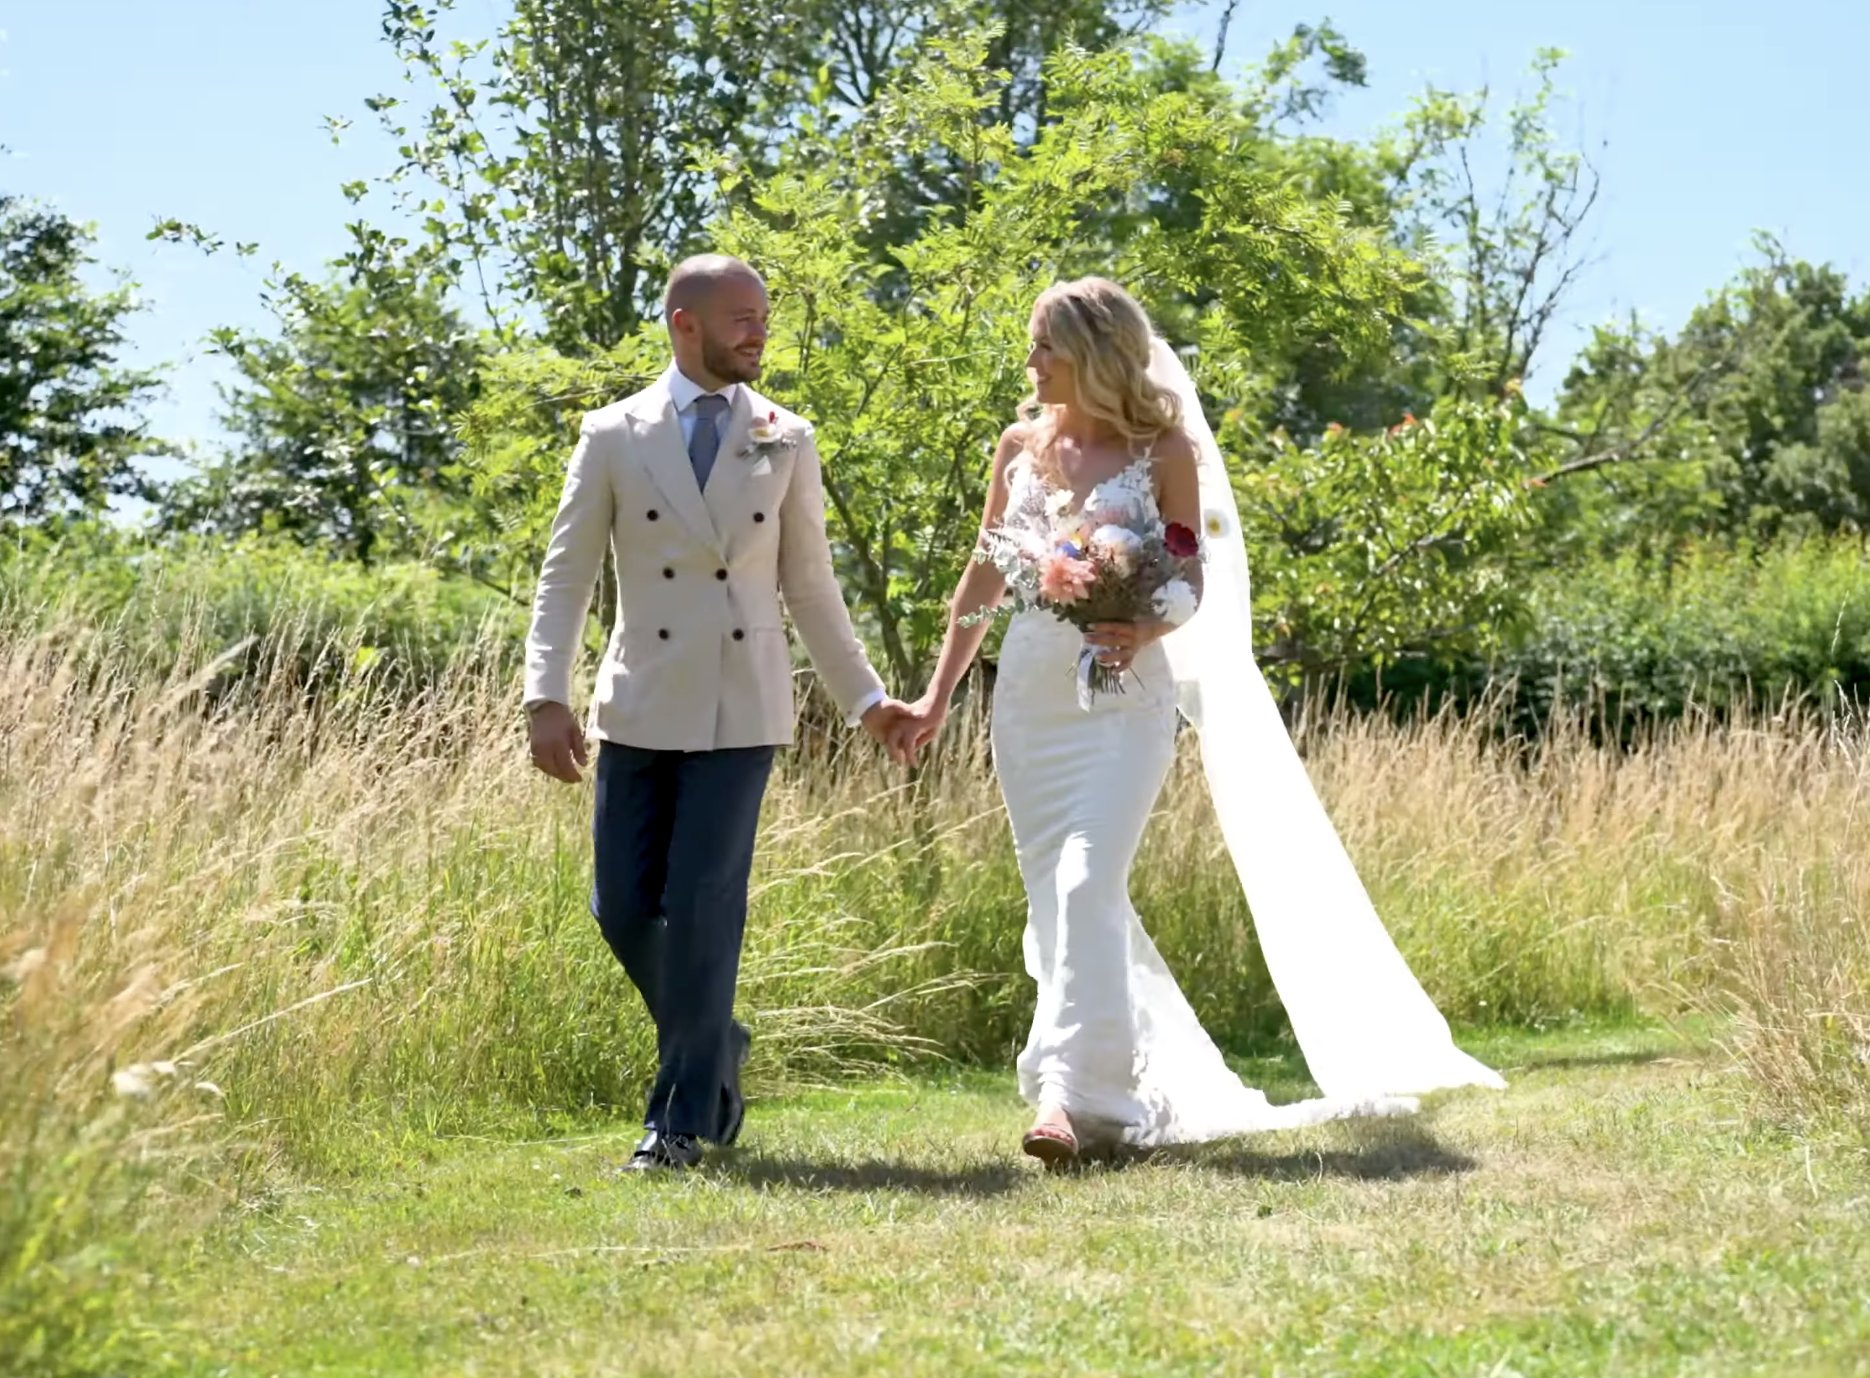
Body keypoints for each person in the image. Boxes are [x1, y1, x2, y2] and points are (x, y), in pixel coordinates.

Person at [895, 277, 1504, 1165]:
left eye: (1044, 345)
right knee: (1058, 894)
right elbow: (984, 577)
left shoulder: (1165, 450)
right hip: (1030, 700)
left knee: (1086, 881)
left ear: (1093, 353)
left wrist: (1144, 625)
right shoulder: (1019, 446)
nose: (1030, 361)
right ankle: (1103, 1090)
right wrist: (936, 696)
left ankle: (1070, 1097)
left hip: (1124, 700)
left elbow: (1189, 575)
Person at [523, 254, 911, 1173]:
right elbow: (566, 574)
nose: (758, 332)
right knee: (622, 908)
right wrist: (546, 694)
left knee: (703, 908)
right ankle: (715, 1039)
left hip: (744, 708)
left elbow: (810, 587)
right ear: (683, 323)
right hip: (639, 699)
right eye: (741, 317)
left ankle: (678, 1122)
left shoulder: (787, 436)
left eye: (762, 316)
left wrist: (864, 699)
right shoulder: (611, 433)